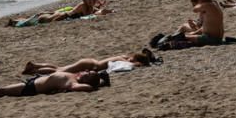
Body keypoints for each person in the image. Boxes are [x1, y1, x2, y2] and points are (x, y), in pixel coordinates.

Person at [0, 70, 110, 100]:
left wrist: (95, 86)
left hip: (31, 88)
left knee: (1, 91)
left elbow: (87, 88)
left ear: (86, 79)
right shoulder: (75, 76)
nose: (85, 71)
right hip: (34, 80)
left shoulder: (73, 82)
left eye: (88, 73)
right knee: (1, 89)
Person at [23, 49, 156, 75]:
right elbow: (134, 64)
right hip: (90, 64)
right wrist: (143, 63)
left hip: (90, 62)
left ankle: (35, 66)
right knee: (59, 71)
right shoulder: (123, 60)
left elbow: (133, 60)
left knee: (60, 68)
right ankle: (35, 71)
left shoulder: (123, 56)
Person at [7, 0, 110, 27]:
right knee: (41, 20)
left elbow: (97, 10)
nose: (91, 1)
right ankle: (15, 21)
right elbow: (94, 11)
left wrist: (106, 9)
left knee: (38, 20)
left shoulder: (90, 6)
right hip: (63, 15)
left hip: (63, 15)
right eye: (90, 0)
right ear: (86, 0)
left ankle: (16, 21)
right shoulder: (82, 5)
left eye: (92, 0)